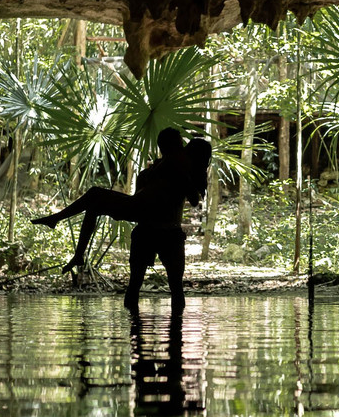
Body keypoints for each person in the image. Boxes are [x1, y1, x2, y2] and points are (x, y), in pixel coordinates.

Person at [31, 130, 212, 314]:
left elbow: (194, 198)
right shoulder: (164, 165)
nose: (181, 148)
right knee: (95, 203)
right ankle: (78, 252)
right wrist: (154, 173)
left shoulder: (179, 165)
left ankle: (60, 225)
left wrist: (174, 173)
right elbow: (145, 189)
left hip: (159, 224)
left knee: (172, 287)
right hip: (144, 217)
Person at [125, 136, 212, 315]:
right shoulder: (179, 172)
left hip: (148, 231)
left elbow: (139, 200)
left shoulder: (151, 172)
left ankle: (134, 331)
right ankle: (175, 333)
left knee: (135, 284)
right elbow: (195, 199)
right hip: (169, 233)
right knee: (175, 287)